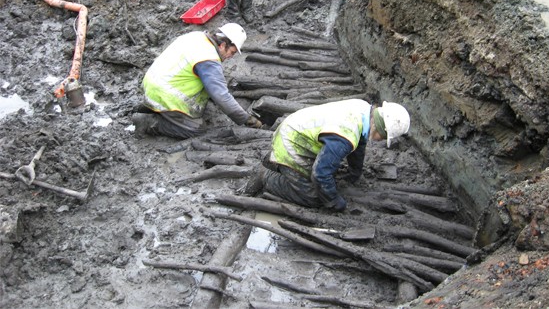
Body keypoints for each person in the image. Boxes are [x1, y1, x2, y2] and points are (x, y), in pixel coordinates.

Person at [246, 99, 410, 211]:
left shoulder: (364, 109)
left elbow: (359, 144)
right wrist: (333, 201)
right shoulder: (346, 135)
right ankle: (266, 177)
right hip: (291, 142)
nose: (380, 141)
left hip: (299, 130)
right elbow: (320, 174)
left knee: (326, 173)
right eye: (383, 138)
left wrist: (354, 173)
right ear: (381, 129)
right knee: (315, 197)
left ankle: (280, 165)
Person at [133, 23, 263, 139]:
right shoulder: (208, 59)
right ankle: (148, 123)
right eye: (232, 52)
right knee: (196, 129)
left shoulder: (197, 36)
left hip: (152, 82)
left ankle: (150, 107)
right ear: (223, 45)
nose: (230, 57)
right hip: (164, 94)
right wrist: (247, 119)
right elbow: (221, 96)